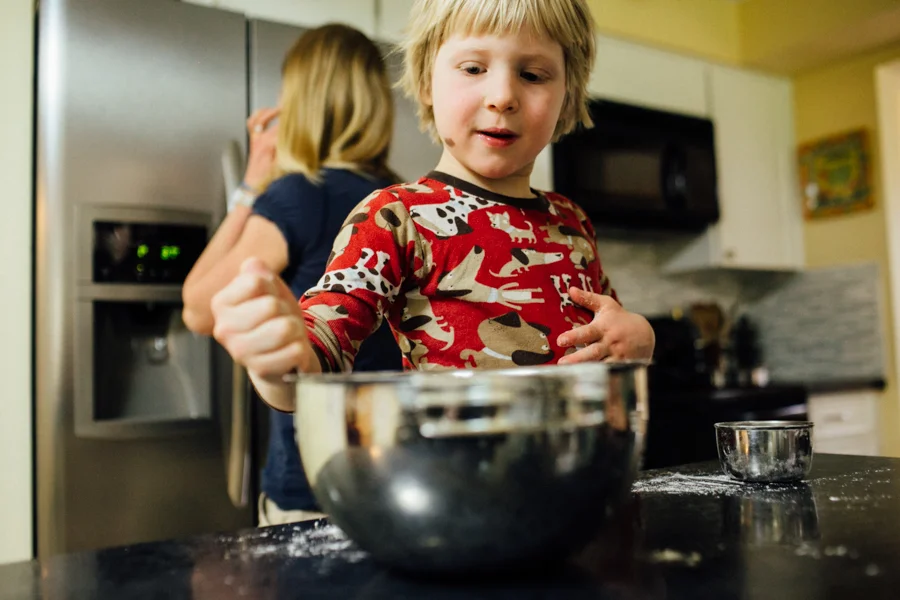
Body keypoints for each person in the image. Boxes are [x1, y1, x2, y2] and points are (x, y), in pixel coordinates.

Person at [209, 0, 656, 414]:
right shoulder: (395, 216)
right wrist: (279, 362)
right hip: (462, 489)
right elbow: (321, 346)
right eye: (473, 67)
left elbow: (609, 330)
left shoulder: (572, 221)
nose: (502, 96)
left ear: (567, 97)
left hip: (583, 486)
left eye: (533, 75)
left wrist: (639, 337)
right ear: (426, 83)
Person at [181, 24, 403, 525]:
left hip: (314, 490)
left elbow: (197, 308)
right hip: (402, 476)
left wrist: (251, 185)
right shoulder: (403, 202)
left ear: (300, 101)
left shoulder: (300, 195)